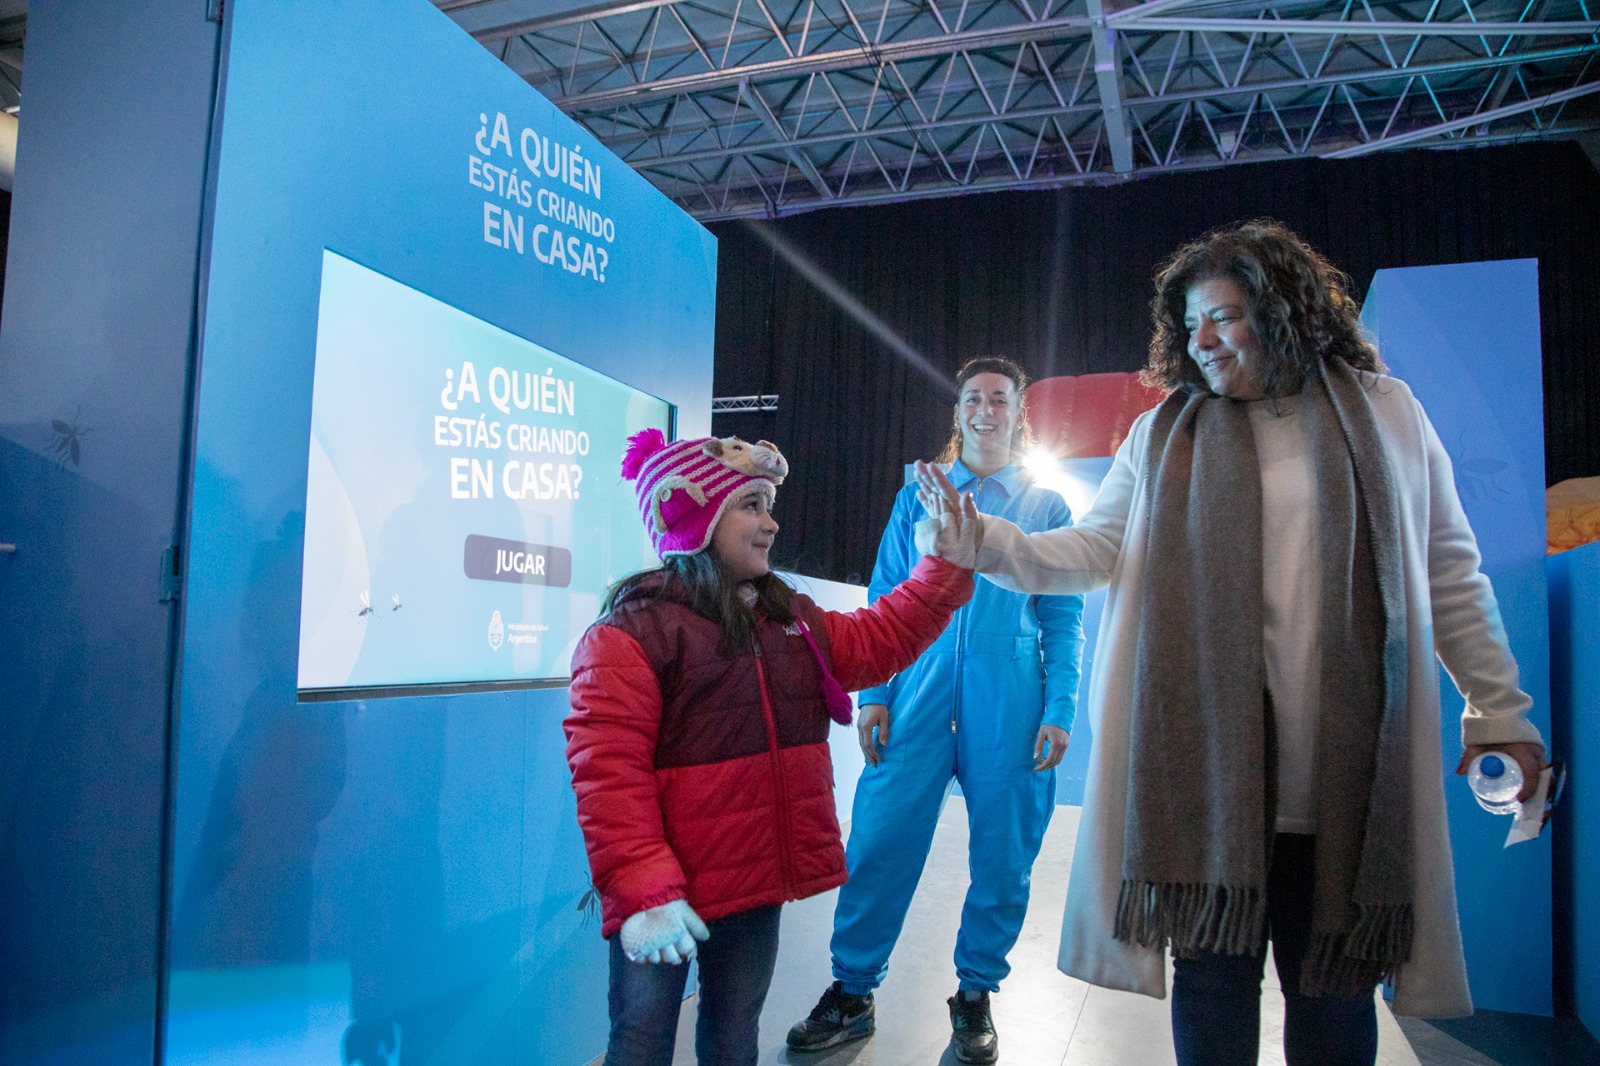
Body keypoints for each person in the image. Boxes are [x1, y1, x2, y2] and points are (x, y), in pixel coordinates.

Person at [914, 221, 1546, 1066]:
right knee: (1212, 996)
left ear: (1282, 310)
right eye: (1189, 324)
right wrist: (983, 543)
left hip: (1341, 779)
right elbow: (1094, 551)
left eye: (1223, 316)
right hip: (1207, 786)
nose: (1200, 341)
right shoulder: (1161, 434)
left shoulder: (1386, 413)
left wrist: (1498, 709)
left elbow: (1449, 570)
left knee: (1332, 996)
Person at [564, 429, 977, 1066]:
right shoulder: (630, 632)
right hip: (659, 893)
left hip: (749, 884)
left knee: (733, 1037)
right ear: (695, 517)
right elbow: (607, 777)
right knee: (640, 1044)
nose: (772, 522)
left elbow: (879, 639)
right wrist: (645, 890)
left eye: (768, 504)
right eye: (751, 505)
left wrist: (944, 565)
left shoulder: (787, 617)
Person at [788, 358, 1086, 1065]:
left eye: (999, 399)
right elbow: (887, 590)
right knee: (879, 844)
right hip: (914, 690)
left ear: (1019, 414)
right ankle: (852, 991)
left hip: (1010, 700)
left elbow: (1063, 617)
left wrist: (1061, 706)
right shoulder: (918, 494)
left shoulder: (1045, 508)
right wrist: (875, 694)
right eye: (973, 398)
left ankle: (976, 994)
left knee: (1005, 856)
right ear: (959, 413)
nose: (986, 409)